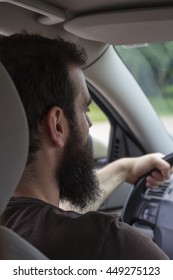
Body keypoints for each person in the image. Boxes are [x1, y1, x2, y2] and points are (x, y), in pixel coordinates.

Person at [0, 32, 172, 259]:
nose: (89, 123)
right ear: (58, 125)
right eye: (85, 110)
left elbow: (50, 217)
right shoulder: (108, 245)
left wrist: (123, 169)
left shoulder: (12, 227)